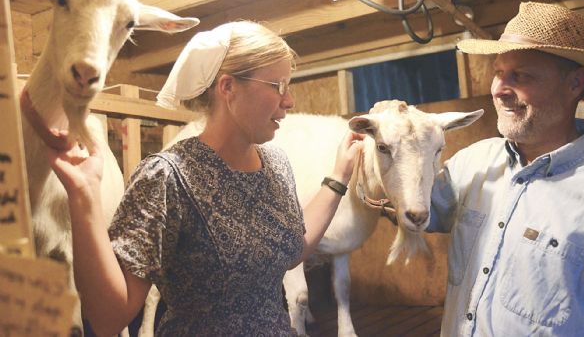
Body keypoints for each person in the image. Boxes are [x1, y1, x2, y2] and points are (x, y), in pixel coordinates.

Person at [44, 21, 364, 336]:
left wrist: (339, 176)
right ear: (228, 88)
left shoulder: (276, 165)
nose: (290, 101)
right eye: (278, 85)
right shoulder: (167, 177)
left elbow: (293, 250)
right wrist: (83, 196)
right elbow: (107, 319)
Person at [428, 1, 584, 336]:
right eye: (498, 72)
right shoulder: (473, 162)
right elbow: (412, 209)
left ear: (575, 84)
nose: (498, 89)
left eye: (521, 75)